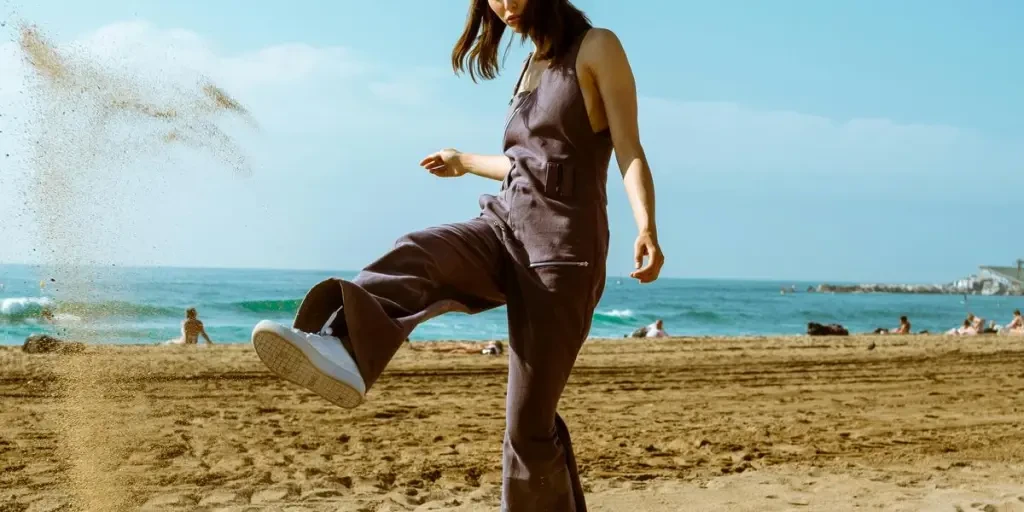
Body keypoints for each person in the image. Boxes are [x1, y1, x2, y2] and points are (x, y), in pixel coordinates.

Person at [249, 1, 664, 510]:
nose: (504, 4)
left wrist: (646, 226)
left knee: (529, 428)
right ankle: (344, 346)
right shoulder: (531, 64)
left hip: (562, 255)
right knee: (422, 252)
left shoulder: (598, 47)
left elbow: (629, 148)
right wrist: (463, 161)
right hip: (504, 225)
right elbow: (524, 165)